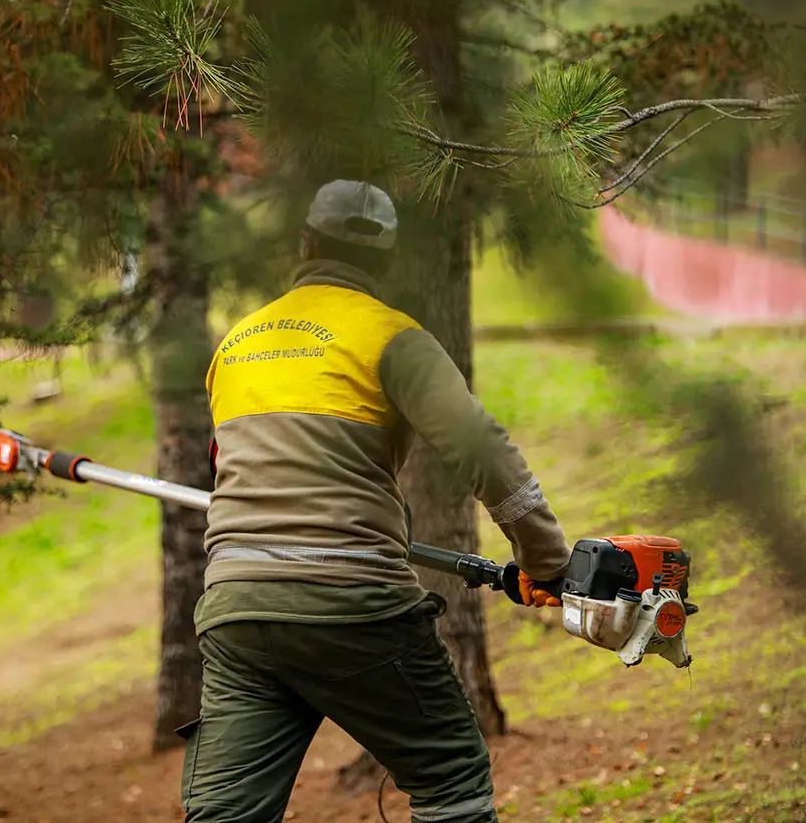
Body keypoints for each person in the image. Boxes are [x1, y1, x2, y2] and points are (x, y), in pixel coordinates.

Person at [182, 180, 572, 823]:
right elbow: (483, 452)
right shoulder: (394, 336)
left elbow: (224, 464)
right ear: (386, 261)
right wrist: (546, 560)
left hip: (236, 608)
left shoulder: (237, 343)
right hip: (352, 602)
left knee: (224, 815)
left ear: (305, 242)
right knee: (452, 777)